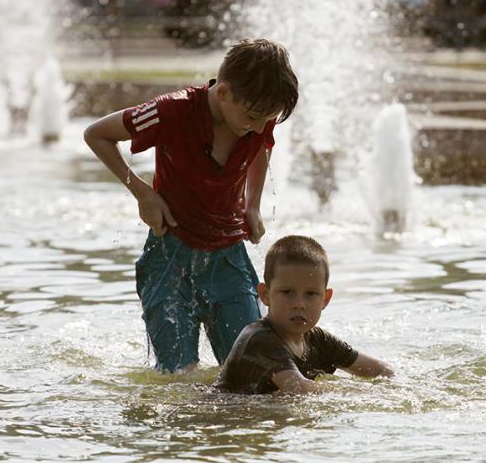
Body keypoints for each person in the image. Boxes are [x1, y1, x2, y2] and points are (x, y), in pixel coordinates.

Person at [84, 38, 299, 373]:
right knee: (178, 376)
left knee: (250, 372)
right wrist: (142, 193)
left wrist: (252, 204)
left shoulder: (258, 114)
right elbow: (96, 134)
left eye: (266, 119)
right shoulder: (171, 111)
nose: (259, 127)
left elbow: (261, 146)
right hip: (170, 260)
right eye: (254, 117)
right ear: (224, 93)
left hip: (229, 262)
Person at [214, 235, 394, 394]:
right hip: (220, 417)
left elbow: (381, 369)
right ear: (265, 295)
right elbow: (299, 389)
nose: (299, 304)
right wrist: (360, 392)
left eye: (310, 294)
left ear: (325, 299)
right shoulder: (260, 339)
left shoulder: (318, 340)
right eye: (287, 292)